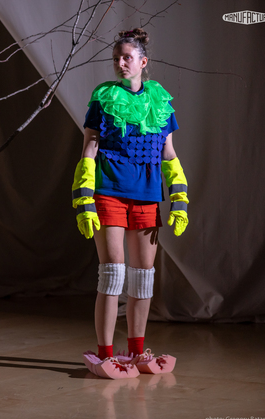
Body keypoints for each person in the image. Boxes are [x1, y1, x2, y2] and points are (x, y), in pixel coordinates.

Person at [74, 28, 189, 379]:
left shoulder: (160, 101)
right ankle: (105, 354)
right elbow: (89, 148)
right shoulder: (104, 98)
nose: (120, 63)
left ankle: (137, 351)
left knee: (143, 279)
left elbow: (169, 154)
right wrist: (84, 200)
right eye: (116, 58)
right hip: (109, 191)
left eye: (127, 57)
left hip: (147, 196)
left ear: (143, 61)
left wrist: (180, 198)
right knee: (112, 274)